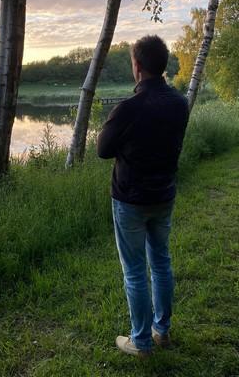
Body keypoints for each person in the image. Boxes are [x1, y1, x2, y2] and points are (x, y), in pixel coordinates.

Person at [97, 35, 189, 357]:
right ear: (162, 66)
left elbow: (102, 150)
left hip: (131, 201)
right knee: (161, 262)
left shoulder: (127, 109)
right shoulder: (180, 103)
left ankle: (141, 341)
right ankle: (161, 331)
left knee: (135, 271)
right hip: (164, 195)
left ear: (137, 66)